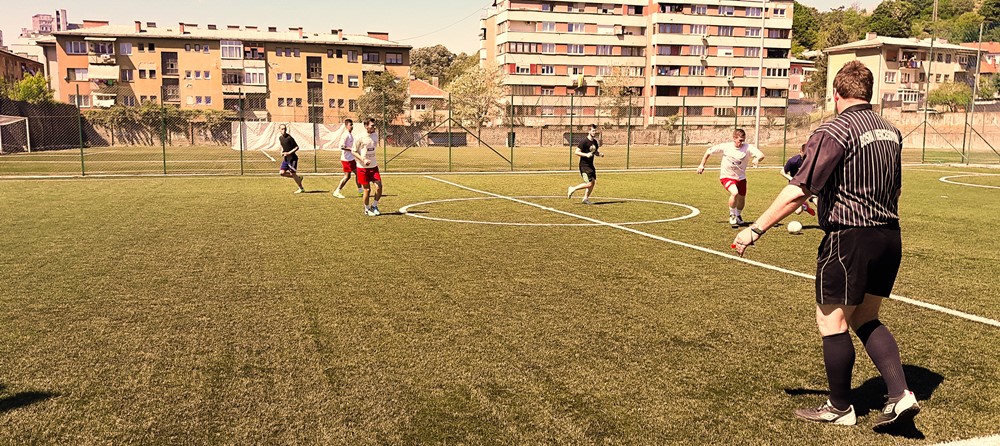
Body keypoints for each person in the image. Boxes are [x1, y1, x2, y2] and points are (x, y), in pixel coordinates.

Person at [732, 60, 919, 431]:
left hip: (849, 238)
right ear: (868, 92)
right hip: (889, 235)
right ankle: (900, 395)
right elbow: (895, 188)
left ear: (836, 94)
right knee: (866, 316)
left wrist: (755, 229)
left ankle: (839, 406)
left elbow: (799, 190)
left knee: (831, 320)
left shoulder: (835, 129)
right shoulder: (891, 131)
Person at [696, 129, 764, 227]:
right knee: (734, 192)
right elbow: (708, 151)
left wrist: (757, 159)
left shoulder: (747, 147)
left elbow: (761, 155)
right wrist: (702, 165)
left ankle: (738, 215)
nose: (741, 143)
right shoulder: (726, 146)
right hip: (726, 176)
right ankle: (732, 214)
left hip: (741, 178)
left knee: (742, 198)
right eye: (740, 140)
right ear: (734, 138)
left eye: (743, 140)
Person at [352, 118, 383, 216]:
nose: (374, 127)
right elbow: (353, 151)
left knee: (379, 187)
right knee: (367, 190)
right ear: (366, 126)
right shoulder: (359, 137)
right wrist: (363, 159)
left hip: (374, 167)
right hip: (362, 167)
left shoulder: (375, 135)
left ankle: (374, 206)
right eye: (372, 125)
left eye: (374, 125)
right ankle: (366, 209)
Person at [567, 124, 603, 204]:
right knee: (589, 183)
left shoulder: (595, 142)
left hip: (591, 165)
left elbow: (594, 152)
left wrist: (599, 154)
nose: (594, 132)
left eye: (595, 131)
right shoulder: (584, 141)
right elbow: (576, 152)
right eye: (593, 131)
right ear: (589, 131)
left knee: (593, 183)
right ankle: (573, 188)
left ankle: (585, 199)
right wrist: (586, 155)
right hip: (584, 166)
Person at [782, 144, 816, 216]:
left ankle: (827, 222)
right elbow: (782, 172)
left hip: (810, 185)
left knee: (816, 201)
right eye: (804, 154)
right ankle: (805, 206)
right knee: (798, 211)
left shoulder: (813, 160)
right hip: (797, 186)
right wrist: (793, 179)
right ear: (800, 152)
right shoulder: (793, 161)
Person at [332, 119, 362, 199]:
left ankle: (360, 191)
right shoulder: (345, 135)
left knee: (358, 174)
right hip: (346, 160)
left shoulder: (350, 135)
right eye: (350, 125)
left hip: (351, 159)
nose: (352, 127)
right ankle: (337, 191)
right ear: (346, 126)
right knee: (347, 176)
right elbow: (342, 146)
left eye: (352, 125)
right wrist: (352, 149)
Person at [278, 124, 305, 193]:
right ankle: (298, 178)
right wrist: (282, 151)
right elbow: (282, 146)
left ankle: (301, 188)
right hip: (286, 159)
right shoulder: (280, 138)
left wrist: (289, 153)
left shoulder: (289, 138)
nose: (283, 130)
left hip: (292, 159)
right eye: (282, 129)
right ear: (279, 130)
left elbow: (297, 147)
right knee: (281, 173)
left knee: (293, 173)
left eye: (285, 129)